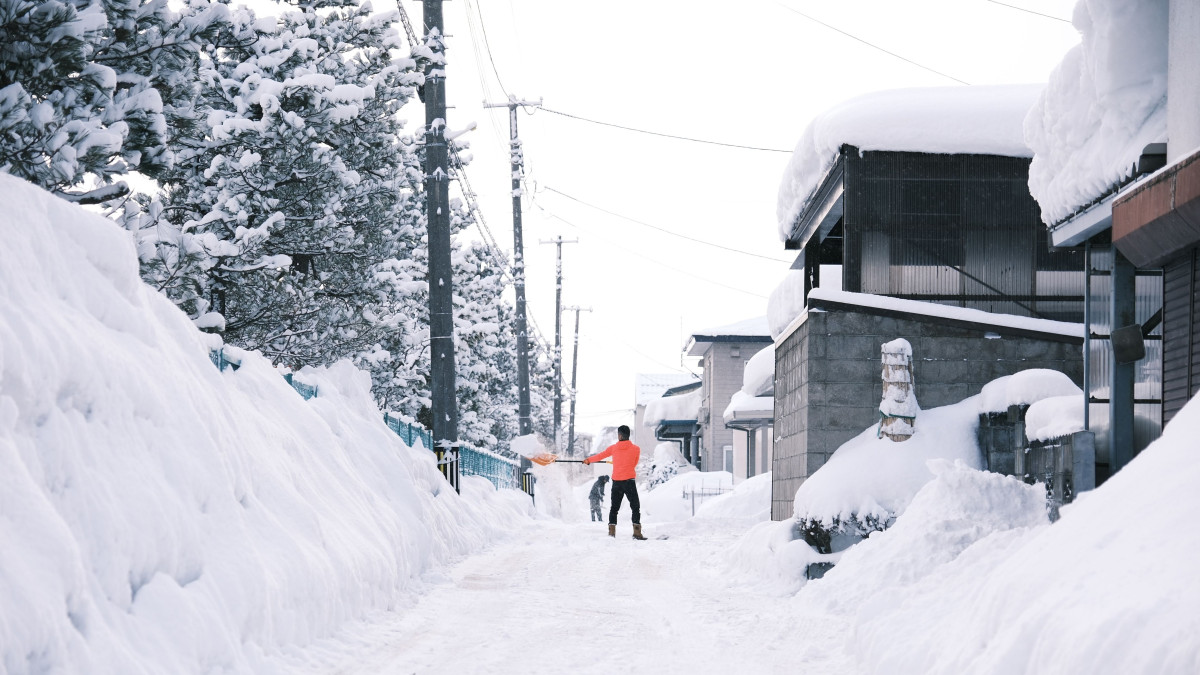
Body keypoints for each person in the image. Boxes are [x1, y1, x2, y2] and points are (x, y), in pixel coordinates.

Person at [584, 425, 647, 540]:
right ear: (628, 435)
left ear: (620, 435)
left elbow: (600, 456)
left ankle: (611, 533)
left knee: (614, 508)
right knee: (635, 507)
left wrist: (588, 460)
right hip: (629, 482)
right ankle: (637, 532)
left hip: (617, 482)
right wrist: (625, 465)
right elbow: (634, 463)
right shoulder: (636, 449)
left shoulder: (613, 448)